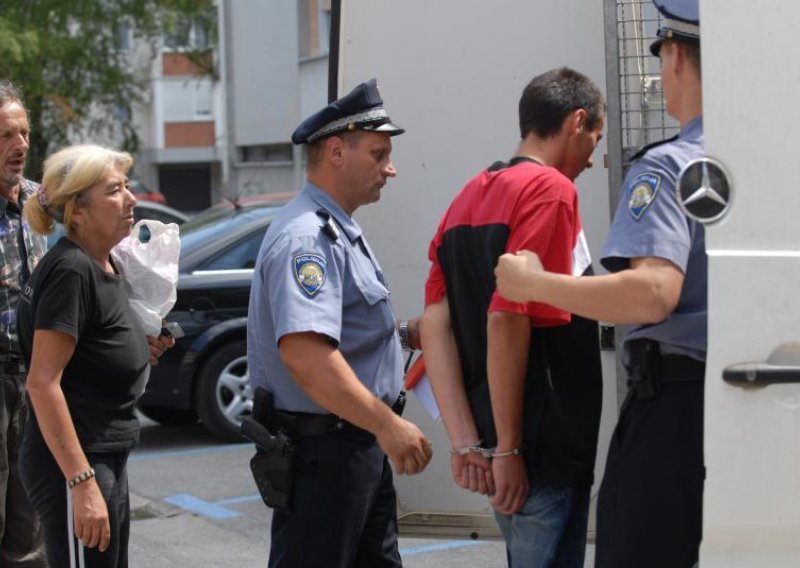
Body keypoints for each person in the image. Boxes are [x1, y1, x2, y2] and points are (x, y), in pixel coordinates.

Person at [496, 2, 704, 566]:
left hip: (677, 412)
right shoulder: (769, 165)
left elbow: (652, 294)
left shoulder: (671, 167)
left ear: (677, 56)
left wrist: (537, 283)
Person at [420, 67, 605, 567]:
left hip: (509, 444)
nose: (593, 158)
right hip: (542, 447)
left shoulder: (467, 195)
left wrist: (466, 443)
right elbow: (507, 316)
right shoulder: (551, 190)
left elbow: (435, 324)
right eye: (595, 138)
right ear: (577, 120)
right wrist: (509, 450)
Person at [247, 78, 432, 568]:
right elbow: (308, 357)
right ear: (335, 151)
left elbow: (341, 334)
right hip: (325, 454)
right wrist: (387, 425)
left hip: (351, 446)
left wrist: (404, 335)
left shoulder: (337, 228)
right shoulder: (309, 238)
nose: (390, 169)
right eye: (378, 153)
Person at [16, 144, 173, 567]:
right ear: (78, 211)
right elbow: (42, 382)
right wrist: (81, 483)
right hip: (78, 463)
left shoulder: (104, 264)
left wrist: (140, 348)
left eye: (127, 186)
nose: (131, 198)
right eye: (114, 190)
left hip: (107, 455)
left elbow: (93, 352)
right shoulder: (71, 270)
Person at [0, 80, 48, 567]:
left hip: (37, 381)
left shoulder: (44, 205)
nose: (20, 146)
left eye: (24, 133)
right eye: (5, 136)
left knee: (31, 528)